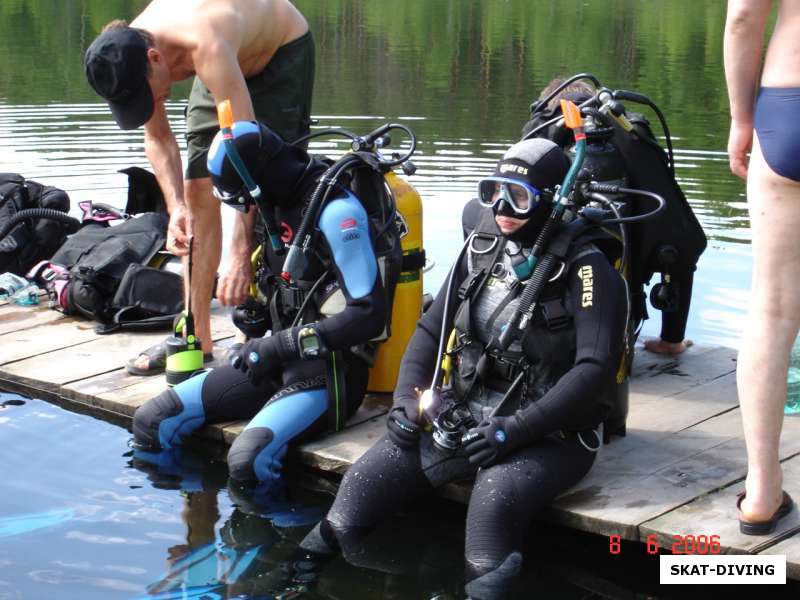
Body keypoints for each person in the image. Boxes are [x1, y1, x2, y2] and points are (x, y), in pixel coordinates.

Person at [299, 138, 627, 599]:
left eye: (520, 196)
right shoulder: (483, 245)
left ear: (551, 200)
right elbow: (430, 332)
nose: (502, 207)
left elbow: (594, 369)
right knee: (362, 482)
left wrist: (512, 432)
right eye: (493, 190)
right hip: (469, 413)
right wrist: (403, 404)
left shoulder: (586, 267)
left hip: (552, 433)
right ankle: (295, 578)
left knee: (492, 503)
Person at [132, 120, 400, 495]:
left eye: (241, 194)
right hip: (271, 362)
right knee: (153, 419)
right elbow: (285, 283)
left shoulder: (338, 213)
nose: (244, 206)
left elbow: (368, 315)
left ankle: (276, 543)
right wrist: (257, 314)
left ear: (259, 174)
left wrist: (278, 346)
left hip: (330, 377)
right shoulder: (272, 202)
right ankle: (180, 510)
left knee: (247, 459)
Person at [83, 0, 315, 375]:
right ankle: (196, 333)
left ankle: (254, 329)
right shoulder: (130, 52)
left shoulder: (203, 42)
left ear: (156, 58)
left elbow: (247, 152)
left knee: (270, 188)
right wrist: (176, 208)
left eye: (148, 95)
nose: (152, 103)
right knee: (195, 188)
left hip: (276, 52)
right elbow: (158, 137)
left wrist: (239, 255)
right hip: (225, 64)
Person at [523, 77, 696, 357]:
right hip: (617, 340)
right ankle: (668, 343)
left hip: (533, 335)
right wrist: (671, 339)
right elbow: (679, 243)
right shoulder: (631, 139)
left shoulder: (536, 139)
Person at [724, 0, 797, 534]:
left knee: (771, 310)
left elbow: (745, 15)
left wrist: (741, 118)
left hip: (788, 105)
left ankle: (762, 492)